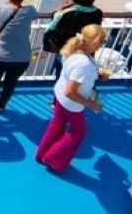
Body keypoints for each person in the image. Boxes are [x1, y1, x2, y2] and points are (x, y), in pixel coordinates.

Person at [35, 24, 106, 174]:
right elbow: (71, 92)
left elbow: (73, 76)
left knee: (56, 125)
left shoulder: (75, 52)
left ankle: (41, 155)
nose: (103, 44)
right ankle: (53, 159)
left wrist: (96, 74)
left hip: (59, 95)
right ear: (93, 43)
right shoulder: (84, 64)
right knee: (78, 132)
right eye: (102, 41)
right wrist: (91, 104)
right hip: (71, 103)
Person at [44, 0, 103, 80]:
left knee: (63, 74)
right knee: (81, 75)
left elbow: (51, 28)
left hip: (67, 49)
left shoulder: (66, 13)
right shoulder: (98, 13)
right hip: (87, 50)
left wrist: (58, 10)